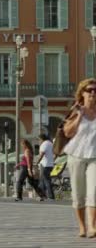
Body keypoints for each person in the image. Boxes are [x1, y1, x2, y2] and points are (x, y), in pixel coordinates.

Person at [62, 79, 96, 238]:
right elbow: (67, 133)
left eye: (95, 90)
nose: (93, 93)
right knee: (78, 194)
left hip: (94, 156)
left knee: (94, 192)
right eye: (90, 90)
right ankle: (82, 227)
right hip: (76, 155)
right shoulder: (76, 111)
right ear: (82, 93)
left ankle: (93, 227)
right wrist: (79, 116)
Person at [36, 134, 55, 201]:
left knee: (46, 180)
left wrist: (37, 162)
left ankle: (51, 196)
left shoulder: (44, 144)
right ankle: (42, 196)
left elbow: (41, 154)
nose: (38, 141)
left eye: (39, 140)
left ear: (41, 139)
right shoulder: (50, 143)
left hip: (45, 164)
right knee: (43, 180)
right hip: (50, 164)